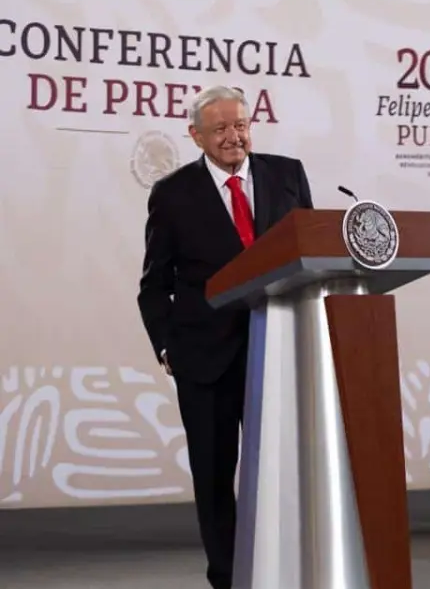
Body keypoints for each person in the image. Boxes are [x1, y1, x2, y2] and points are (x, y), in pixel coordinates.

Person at [136, 85, 314, 589]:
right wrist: (169, 347)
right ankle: (230, 577)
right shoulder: (172, 194)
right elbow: (154, 284)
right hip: (205, 359)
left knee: (282, 470)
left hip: (279, 348)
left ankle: (286, 568)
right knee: (215, 477)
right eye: (221, 128)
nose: (234, 137)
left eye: (241, 125)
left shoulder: (287, 175)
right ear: (195, 136)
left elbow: (311, 253)